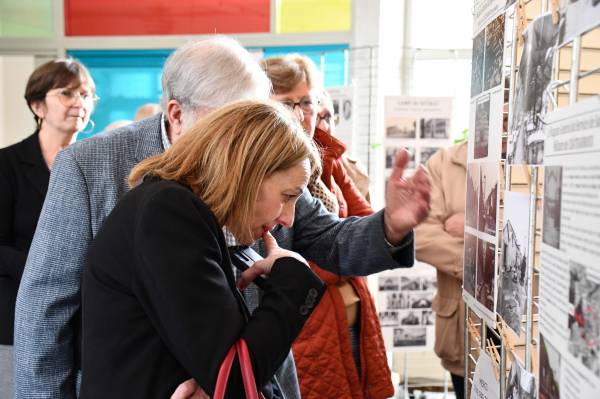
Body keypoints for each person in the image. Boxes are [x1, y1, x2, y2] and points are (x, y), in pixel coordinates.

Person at [16, 36, 429, 399]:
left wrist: (391, 225)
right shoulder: (90, 168)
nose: (245, 138)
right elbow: (46, 310)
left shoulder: (263, 163)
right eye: (229, 122)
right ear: (177, 114)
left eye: (251, 119)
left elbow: (330, 239)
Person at [80, 100, 325, 398]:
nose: (288, 218)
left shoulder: (172, 208)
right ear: (245, 173)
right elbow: (235, 379)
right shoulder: (168, 212)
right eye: (287, 196)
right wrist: (293, 282)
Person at [261, 55, 393, 399]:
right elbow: (309, 251)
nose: (301, 114)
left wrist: (390, 224)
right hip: (310, 330)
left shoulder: (327, 160)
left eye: (307, 102)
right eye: (287, 103)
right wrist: (337, 260)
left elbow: (360, 221)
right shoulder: (262, 169)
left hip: (348, 318)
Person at [0, 58, 96, 398]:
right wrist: (47, 267)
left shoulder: (97, 162)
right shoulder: (7, 165)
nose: (79, 102)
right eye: (66, 93)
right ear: (37, 105)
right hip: (16, 318)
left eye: (86, 94)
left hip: (87, 319)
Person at [414, 141, 467, 399]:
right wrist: (485, 265)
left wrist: (472, 224)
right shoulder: (443, 163)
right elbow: (421, 236)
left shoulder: (545, 151)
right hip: (461, 332)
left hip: (528, 328)